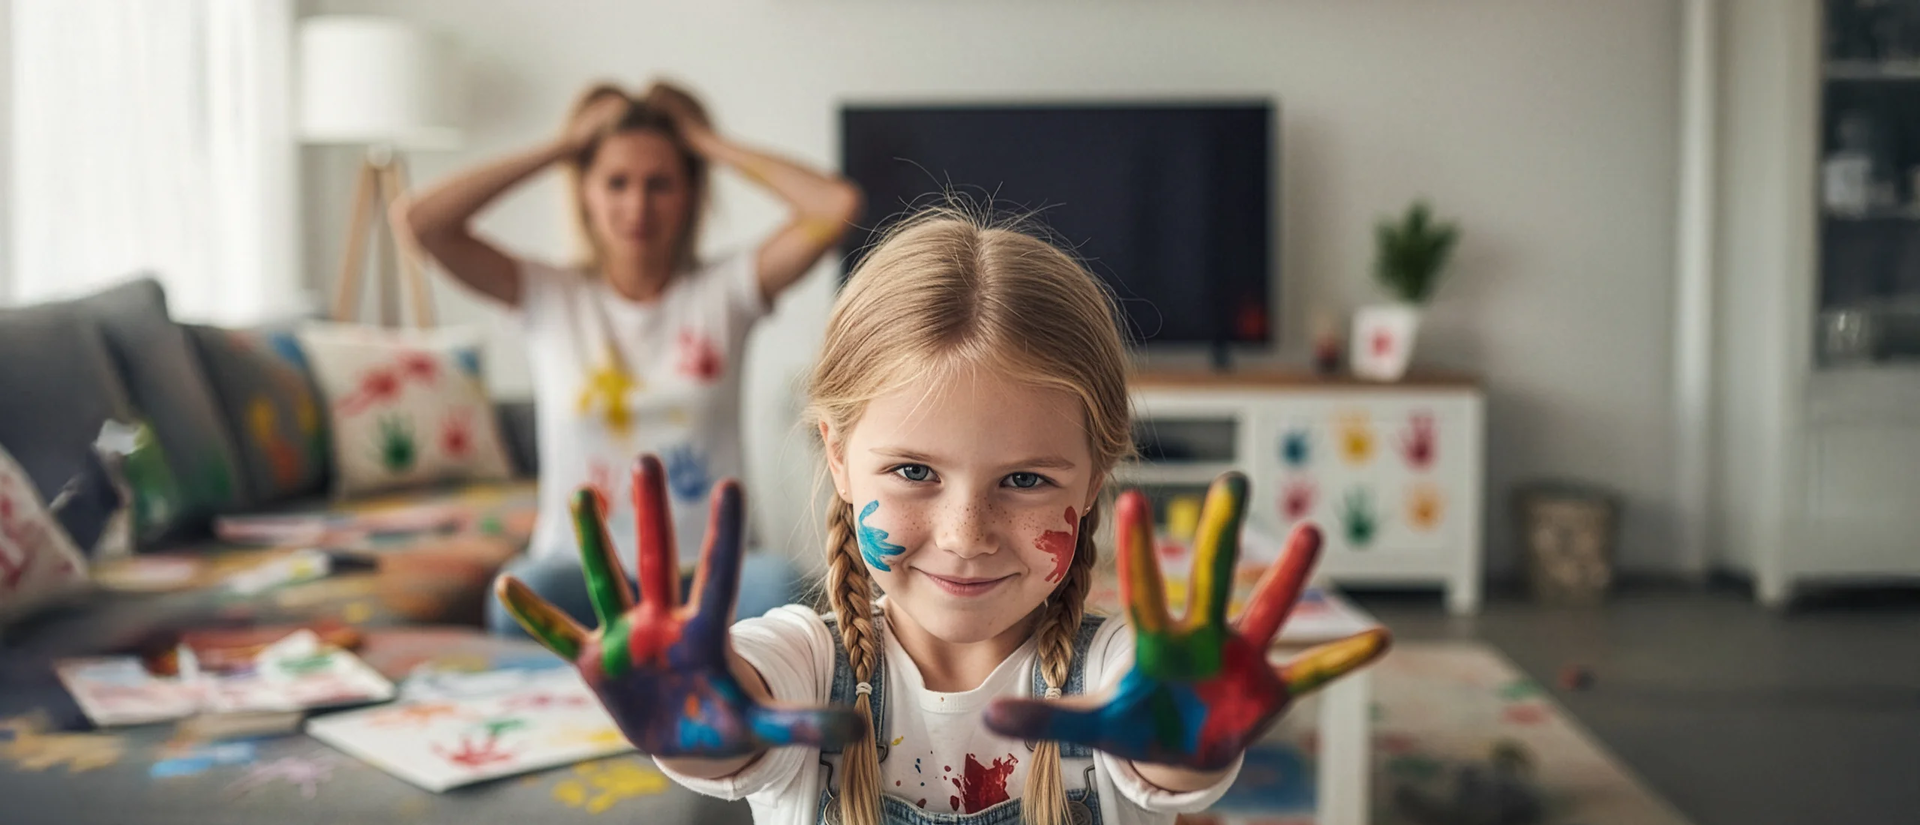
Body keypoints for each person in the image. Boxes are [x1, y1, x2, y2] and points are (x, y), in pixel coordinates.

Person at [494, 209, 1391, 825]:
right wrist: (699, 721)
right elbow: (735, 726)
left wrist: (1188, 747)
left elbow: (1164, 758)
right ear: (838, 456)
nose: (966, 531)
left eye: (1027, 480)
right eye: (915, 470)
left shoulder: (1114, 674)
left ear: (1095, 475)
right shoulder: (804, 659)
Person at [398, 79, 862, 633]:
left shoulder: (727, 292)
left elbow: (836, 206)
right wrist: (562, 146)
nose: (636, 205)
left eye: (660, 183)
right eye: (616, 182)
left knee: (785, 589)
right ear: (585, 193)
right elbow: (421, 222)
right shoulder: (548, 295)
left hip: (714, 580)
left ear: (690, 193)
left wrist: (705, 142)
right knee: (515, 602)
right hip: (583, 576)